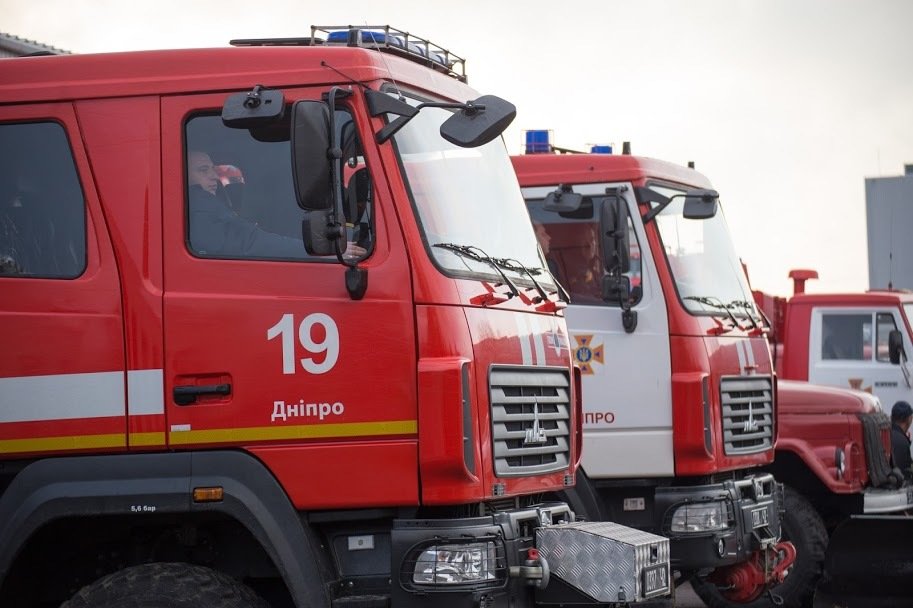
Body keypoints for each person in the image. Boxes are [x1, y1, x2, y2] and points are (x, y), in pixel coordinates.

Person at [187, 151, 364, 260]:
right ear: (182, 174)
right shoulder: (199, 206)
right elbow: (249, 243)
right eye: (203, 170)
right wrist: (319, 251)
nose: (214, 176)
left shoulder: (204, 206)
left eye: (213, 169)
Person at [890, 400, 913, 481]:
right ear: (909, 419)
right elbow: (904, 474)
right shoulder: (902, 442)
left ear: (891, 417)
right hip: (896, 485)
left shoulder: (885, 434)